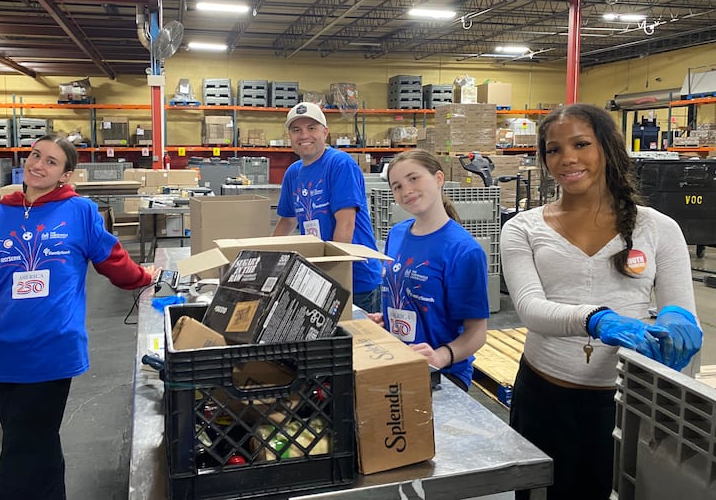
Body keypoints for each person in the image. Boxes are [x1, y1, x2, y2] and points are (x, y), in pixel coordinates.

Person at [0, 134, 159, 500]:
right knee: (32, 444)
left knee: (25, 447)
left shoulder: (80, 211)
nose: (38, 165)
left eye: (51, 161)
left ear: (65, 175)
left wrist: (145, 278)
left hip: (52, 346)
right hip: (4, 349)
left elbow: (113, 262)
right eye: (36, 155)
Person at [501, 103, 702, 500]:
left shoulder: (659, 228)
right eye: (553, 150)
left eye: (581, 144)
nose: (567, 158)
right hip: (545, 397)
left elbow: (681, 307)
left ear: (608, 148)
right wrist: (598, 320)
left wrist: (680, 326)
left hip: (627, 402)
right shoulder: (523, 227)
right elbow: (530, 308)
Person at [370, 149, 489, 391]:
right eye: (397, 186)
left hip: (441, 376)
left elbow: (476, 334)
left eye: (413, 179)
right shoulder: (397, 234)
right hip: (396, 361)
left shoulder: (463, 251)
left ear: (438, 179)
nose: (406, 191)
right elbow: (407, 297)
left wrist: (440, 357)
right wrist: (387, 318)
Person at [273, 102, 382, 312]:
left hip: (354, 279)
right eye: (296, 130)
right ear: (290, 136)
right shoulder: (293, 173)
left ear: (325, 132)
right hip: (317, 276)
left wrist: (330, 278)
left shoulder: (339, 164)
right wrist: (269, 263)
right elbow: (286, 222)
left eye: (311, 128)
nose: (304, 135)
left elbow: (346, 224)